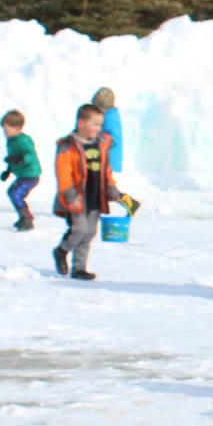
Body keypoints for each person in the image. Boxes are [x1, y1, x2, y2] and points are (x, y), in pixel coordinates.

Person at [52, 103, 119, 282]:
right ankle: (62, 251)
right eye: (95, 124)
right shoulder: (68, 146)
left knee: (89, 233)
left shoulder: (101, 144)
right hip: (76, 197)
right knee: (80, 230)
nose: (99, 128)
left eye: (100, 125)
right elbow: (63, 174)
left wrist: (111, 188)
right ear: (80, 123)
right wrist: (69, 195)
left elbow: (106, 171)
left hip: (95, 196)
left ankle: (79, 268)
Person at [90, 88, 141, 216]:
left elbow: (114, 138)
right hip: (104, 156)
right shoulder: (107, 116)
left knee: (104, 184)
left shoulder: (111, 117)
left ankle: (129, 203)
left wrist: (98, 140)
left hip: (107, 157)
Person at [0, 110, 41, 232]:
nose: (5, 133)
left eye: (7, 130)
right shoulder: (11, 141)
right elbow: (13, 157)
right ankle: (24, 217)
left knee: (15, 194)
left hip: (31, 175)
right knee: (13, 193)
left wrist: (20, 160)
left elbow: (30, 156)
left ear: (17, 128)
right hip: (23, 175)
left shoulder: (24, 141)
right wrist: (8, 170)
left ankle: (26, 218)